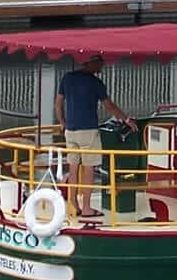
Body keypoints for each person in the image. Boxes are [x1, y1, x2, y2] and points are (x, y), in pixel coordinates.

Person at [55, 55, 132, 218]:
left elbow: (58, 102)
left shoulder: (68, 78)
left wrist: (62, 122)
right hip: (88, 130)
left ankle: (73, 203)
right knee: (90, 168)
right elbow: (109, 106)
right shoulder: (95, 83)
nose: (101, 66)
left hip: (70, 130)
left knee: (73, 167)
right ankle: (87, 208)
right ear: (91, 63)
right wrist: (126, 119)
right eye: (99, 63)